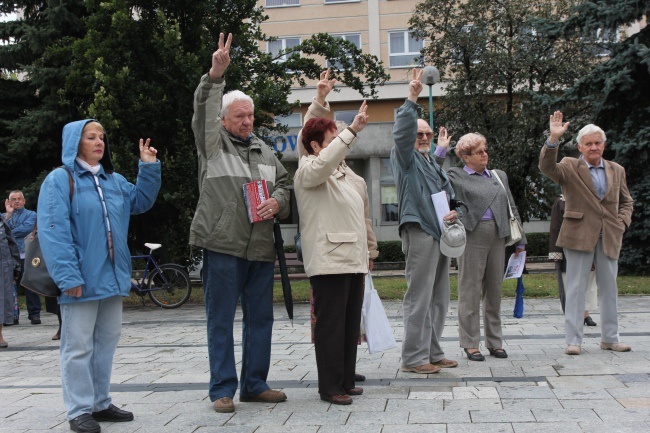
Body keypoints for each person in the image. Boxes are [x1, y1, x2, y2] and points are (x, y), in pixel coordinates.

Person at [189, 33, 290, 414]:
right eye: (239, 116)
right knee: (220, 320)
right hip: (223, 244)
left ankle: (254, 384)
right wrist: (215, 76)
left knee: (261, 318)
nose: (247, 121)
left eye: (250, 115)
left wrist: (277, 201)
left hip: (260, 246)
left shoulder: (265, 149)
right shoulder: (212, 143)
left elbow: (285, 184)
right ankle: (223, 389)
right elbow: (203, 110)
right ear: (224, 120)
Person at [38, 119, 161, 433]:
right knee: (77, 346)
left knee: (106, 341)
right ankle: (79, 410)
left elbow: (141, 202)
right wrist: (68, 278)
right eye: (90, 137)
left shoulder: (113, 180)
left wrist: (148, 167)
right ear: (74, 143)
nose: (98, 142)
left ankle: (100, 403)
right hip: (80, 280)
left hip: (112, 278)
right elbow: (54, 232)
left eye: (101, 137)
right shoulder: (59, 180)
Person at [300, 70, 379, 383]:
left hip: (353, 261)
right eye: (333, 141)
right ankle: (330, 385)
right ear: (318, 147)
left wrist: (371, 250)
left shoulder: (351, 177)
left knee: (348, 324)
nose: (340, 146)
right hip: (329, 261)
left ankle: (345, 376)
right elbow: (307, 136)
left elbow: (364, 218)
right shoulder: (310, 170)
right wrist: (320, 103)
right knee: (331, 325)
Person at [539, 111, 634, 355]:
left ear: (604, 145)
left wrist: (621, 223)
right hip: (578, 234)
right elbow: (546, 166)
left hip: (609, 235)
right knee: (576, 288)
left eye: (597, 143)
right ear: (580, 146)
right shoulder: (570, 166)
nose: (593, 147)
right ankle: (574, 341)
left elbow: (626, 201)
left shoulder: (617, 169)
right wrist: (553, 139)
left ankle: (610, 338)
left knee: (609, 288)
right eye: (588, 143)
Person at [391, 68, 459, 374]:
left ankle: (432, 351)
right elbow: (403, 135)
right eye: (419, 134)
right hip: (419, 231)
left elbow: (439, 188)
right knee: (419, 297)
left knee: (439, 298)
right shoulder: (405, 158)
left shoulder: (430, 160)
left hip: (440, 233)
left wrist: (441, 152)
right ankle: (413, 358)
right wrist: (412, 98)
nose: (423, 138)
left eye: (427, 134)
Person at [436, 132, 526, 361]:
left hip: (499, 235)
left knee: (494, 291)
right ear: (466, 157)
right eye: (478, 152)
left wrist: (521, 241)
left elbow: (511, 206)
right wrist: (440, 151)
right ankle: (470, 343)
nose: (484, 154)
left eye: (485, 150)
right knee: (470, 290)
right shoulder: (455, 175)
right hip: (472, 234)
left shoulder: (498, 176)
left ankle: (495, 342)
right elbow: (433, 177)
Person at [549, 195, 598, 326]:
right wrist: (556, 251)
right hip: (568, 248)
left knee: (587, 281)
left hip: (587, 245)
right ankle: (572, 314)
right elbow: (555, 228)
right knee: (568, 282)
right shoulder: (561, 202)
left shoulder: (589, 198)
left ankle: (585, 313)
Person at [3, 190, 40, 325]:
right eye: (13, 199)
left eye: (19, 199)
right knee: (10, 287)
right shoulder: (4, 216)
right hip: (9, 256)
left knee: (30, 284)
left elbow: (26, 228)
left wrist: (8, 231)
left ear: (24, 201)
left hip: (27, 254)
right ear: (8, 202)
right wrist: (8, 215)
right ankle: (12, 315)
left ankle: (34, 314)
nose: (16, 201)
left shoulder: (32, 215)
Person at [0, 213, 21, 347]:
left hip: (3, 266)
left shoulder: (1, 221)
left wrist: (15, 266)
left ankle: (0, 336)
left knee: (1, 301)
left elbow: (11, 244)